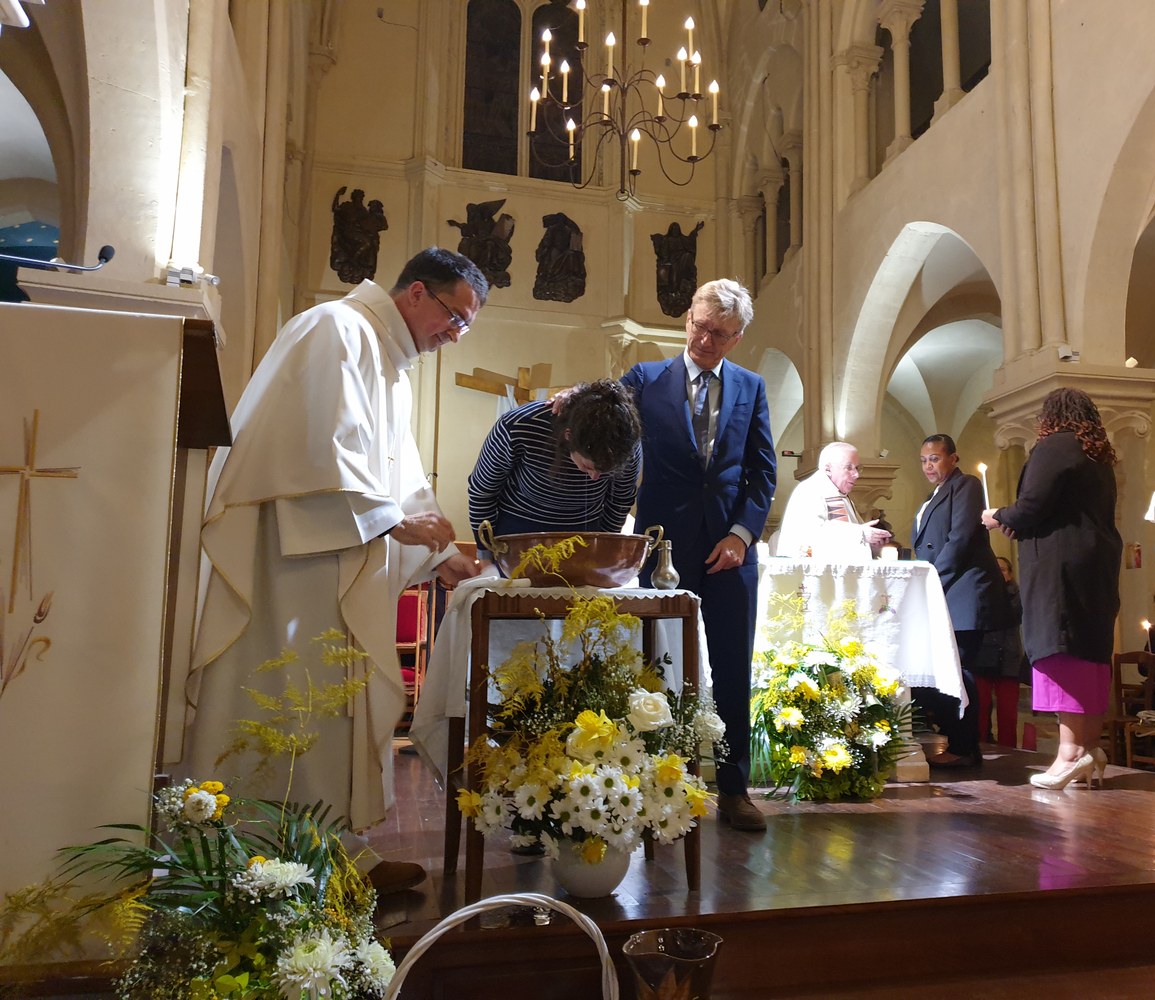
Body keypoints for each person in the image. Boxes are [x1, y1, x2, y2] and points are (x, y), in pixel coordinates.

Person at [183, 247, 488, 894]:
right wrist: (392, 521)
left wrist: (441, 555)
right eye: (455, 317)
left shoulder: (389, 365)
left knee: (331, 713)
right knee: (292, 703)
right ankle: (253, 860)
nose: (455, 336)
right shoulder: (336, 329)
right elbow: (318, 449)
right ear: (416, 292)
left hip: (340, 557)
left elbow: (398, 474)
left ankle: (332, 850)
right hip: (295, 568)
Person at [621, 278, 777, 832]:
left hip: (729, 553)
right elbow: (609, 423)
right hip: (662, 547)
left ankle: (734, 790)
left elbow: (763, 472)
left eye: (720, 334)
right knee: (654, 666)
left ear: (738, 339)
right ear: (688, 318)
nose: (705, 341)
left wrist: (742, 535)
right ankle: (651, 783)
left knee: (733, 668)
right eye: (700, 327)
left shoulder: (751, 387)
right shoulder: (646, 379)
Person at [982, 388, 1121, 790]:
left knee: (1063, 650)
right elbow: (1058, 510)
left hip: (1060, 569)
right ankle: (1090, 748)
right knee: (1089, 651)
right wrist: (1020, 522)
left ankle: (1069, 754)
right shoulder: (1096, 454)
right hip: (1094, 565)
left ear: (1050, 416)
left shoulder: (1055, 446)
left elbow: (1032, 505)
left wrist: (998, 515)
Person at [911, 434, 1007, 768]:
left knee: (960, 669)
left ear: (953, 458)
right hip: (946, 591)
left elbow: (960, 538)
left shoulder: (965, 485)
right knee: (948, 669)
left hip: (964, 591)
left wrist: (929, 578)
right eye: (924, 460)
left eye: (935, 458)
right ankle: (959, 741)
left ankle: (965, 747)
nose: (928, 466)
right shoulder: (933, 495)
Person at [468, 379, 642, 553]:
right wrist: (485, 550)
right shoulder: (518, 425)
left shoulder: (627, 443)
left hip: (584, 538)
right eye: (588, 467)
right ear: (568, 435)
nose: (595, 477)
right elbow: (482, 491)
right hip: (517, 538)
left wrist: (603, 546)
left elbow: (620, 500)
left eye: (606, 472)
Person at [773, 441, 893, 559]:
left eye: (857, 468)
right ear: (828, 469)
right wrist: (860, 534)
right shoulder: (810, 490)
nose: (856, 474)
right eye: (849, 467)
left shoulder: (842, 496)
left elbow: (847, 542)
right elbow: (811, 533)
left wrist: (871, 544)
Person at [975, 555, 1026, 747]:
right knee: (980, 709)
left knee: (1008, 712)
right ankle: (979, 748)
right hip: (982, 656)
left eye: (1002, 570)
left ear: (1010, 574)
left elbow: (1011, 616)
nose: (997, 574)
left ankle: (1009, 750)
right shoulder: (978, 592)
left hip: (1009, 657)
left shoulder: (1017, 595)